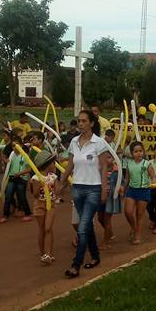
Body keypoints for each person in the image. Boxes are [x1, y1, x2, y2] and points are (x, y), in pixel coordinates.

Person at [57, 109, 111, 278]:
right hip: (78, 188)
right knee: (86, 227)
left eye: (83, 121)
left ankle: (76, 265)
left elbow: (104, 168)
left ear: (91, 123)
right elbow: (71, 164)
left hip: (93, 189)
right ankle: (95, 256)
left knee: (82, 228)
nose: (80, 124)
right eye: (78, 121)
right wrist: (62, 182)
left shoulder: (99, 143)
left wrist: (104, 188)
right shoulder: (74, 141)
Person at [122, 141, 155, 245]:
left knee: (139, 214)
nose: (139, 153)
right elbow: (127, 179)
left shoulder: (147, 163)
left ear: (143, 152)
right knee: (128, 211)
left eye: (140, 151)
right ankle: (134, 227)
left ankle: (138, 235)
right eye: (136, 151)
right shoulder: (129, 164)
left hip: (143, 190)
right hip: (131, 190)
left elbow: (153, 176)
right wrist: (123, 187)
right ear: (132, 153)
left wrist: (153, 181)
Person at [29, 150, 58, 265]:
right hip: (39, 205)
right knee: (42, 229)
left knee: (48, 228)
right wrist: (40, 185)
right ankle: (43, 254)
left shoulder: (53, 176)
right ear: (47, 165)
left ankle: (48, 254)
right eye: (52, 163)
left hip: (51, 204)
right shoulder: (36, 177)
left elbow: (58, 190)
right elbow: (35, 195)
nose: (54, 165)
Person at [0, 136, 33, 224]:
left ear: (21, 145)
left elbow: (30, 169)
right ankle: (5, 215)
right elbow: (7, 163)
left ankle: (27, 213)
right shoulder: (11, 155)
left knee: (21, 196)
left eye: (17, 145)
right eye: (13, 146)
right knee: (8, 196)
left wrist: (20, 173)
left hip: (22, 179)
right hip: (12, 178)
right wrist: (5, 162)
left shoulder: (25, 155)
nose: (15, 147)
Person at [97, 128, 121, 248]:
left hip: (110, 197)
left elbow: (119, 183)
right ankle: (110, 234)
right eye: (105, 157)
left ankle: (106, 242)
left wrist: (120, 188)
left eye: (110, 157)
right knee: (100, 218)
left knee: (106, 219)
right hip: (100, 196)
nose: (107, 160)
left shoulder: (116, 170)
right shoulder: (99, 169)